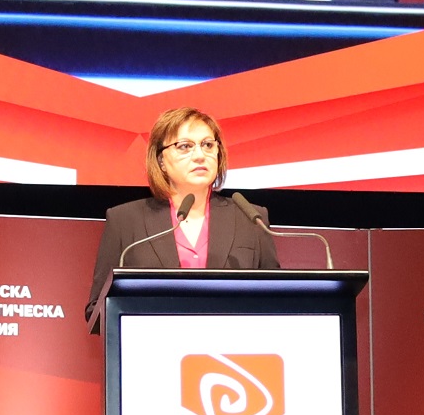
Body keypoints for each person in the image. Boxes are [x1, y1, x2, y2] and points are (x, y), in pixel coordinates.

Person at [85, 107, 280, 324]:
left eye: (208, 145)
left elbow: (277, 299)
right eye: (185, 146)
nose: (200, 156)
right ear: (161, 160)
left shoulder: (251, 218)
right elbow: (98, 309)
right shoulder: (125, 220)